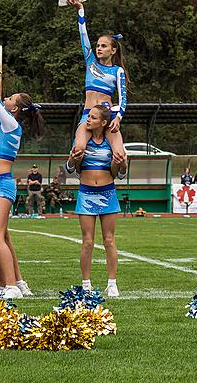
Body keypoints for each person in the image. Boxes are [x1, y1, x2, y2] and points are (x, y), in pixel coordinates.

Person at [0, 53, 41, 298]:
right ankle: (14, 281)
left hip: (1, 184)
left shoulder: (11, 125)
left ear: (14, 109)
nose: (6, 98)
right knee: (1, 235)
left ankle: (11, 287)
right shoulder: (1, 127)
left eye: (10, 98)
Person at [67, 104, 126, 297]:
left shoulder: (110, 143)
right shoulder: (83, 140)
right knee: (87, 242)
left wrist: (120, 164)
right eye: (88, 117)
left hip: (108, 192)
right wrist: (73, 159)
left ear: (103, 122)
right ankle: (86, 284)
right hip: (86, 193)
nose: (88, 120)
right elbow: (73, 169)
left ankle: (112, 283)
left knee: (109, 240)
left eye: (92, 117)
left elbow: (117, 174)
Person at [70, 0, 128, 169]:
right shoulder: (91, 62)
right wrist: (80, 10)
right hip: (88, 114)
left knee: (119, 153)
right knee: (78, 148)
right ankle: (76, 168)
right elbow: (83, 36)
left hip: (107, 117)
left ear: (113, 50)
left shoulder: (118, 71)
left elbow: (123, 99)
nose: (99, 48)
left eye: (104, 46)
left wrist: (118, 117)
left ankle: (118, 172)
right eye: (98, 46)